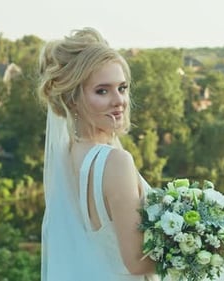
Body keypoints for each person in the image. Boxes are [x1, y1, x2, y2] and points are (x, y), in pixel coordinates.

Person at [37, 27, 157, 281]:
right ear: (72, 100)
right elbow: (136, 262)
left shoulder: (67, 154)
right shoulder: (116, 162)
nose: (119, 101)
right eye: (102, 91)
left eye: (122, 88)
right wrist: (200, 243)